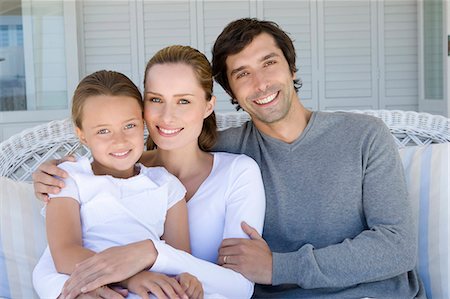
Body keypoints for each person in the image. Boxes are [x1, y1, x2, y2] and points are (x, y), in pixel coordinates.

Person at [33, 18, 424, 298]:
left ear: (290, 66)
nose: (260, 83)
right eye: (242, 74)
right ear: (231, 92)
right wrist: (67, 173)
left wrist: (278, 267)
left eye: (268, 63)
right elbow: (138, 159)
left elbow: (397, 246)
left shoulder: (362, 136)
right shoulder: (210, 151)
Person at [32, 46, 265, 299]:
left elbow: (233, 284)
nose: (167, 116)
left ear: (208, 106)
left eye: (184, 101)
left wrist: (156, 257)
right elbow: (55, 260)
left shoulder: (223, 175)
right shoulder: (83, 175)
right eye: (156, 99)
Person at [33, 69, 203, 298]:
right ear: (82, 135)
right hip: (91, 285)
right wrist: (131, 277)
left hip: (150, 288)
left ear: (143, 123)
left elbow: (180, 258)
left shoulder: (166, 185)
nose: (119, 141)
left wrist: (187, 277)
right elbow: (64, 253)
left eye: (129, 126)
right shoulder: (69, 179)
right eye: (103, 131)